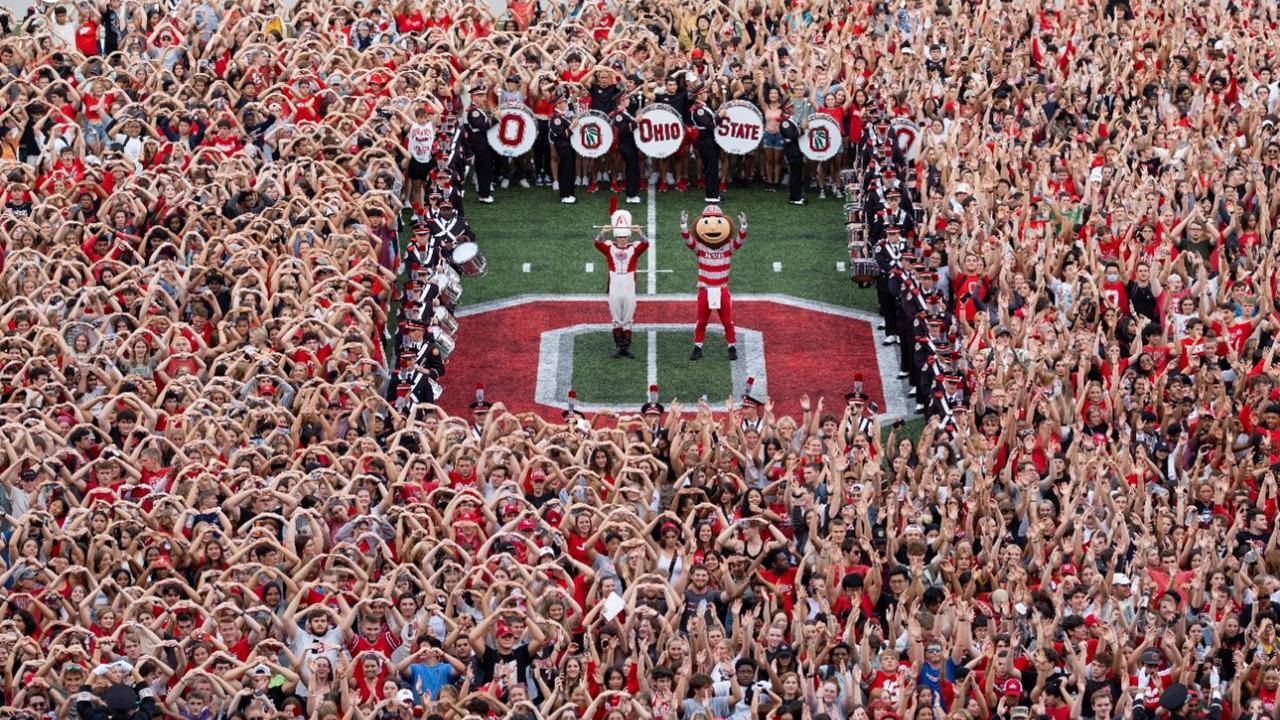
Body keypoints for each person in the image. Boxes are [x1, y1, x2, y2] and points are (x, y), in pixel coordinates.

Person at [681, 205, 748, 361]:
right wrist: (683, 227)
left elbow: (739, 241)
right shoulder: (701, 248)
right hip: (705, 289)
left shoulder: (727, 248)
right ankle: (698, 347)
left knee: (727, 321)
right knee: (702, 320)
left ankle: (732, 347)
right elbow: (689, 241)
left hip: (722, 289)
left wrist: (744, 228)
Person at [594, 208, 649, 358]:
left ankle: (626, 347)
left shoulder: (634, 248)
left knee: (628, 317)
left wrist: (639, 232)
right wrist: (603, 232)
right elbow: (596, 243)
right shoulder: (609, 247)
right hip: (615, 284)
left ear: (628, 236)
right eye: (620, 237)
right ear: (616, 237)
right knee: (616, 318)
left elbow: (646, 243)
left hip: (629, 284)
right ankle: (619, 347)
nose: (623, 239)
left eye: (625, 237)